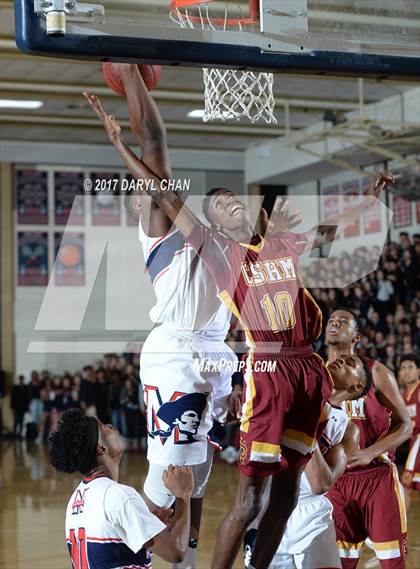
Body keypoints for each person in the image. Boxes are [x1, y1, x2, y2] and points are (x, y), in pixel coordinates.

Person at [84, 83, 394, 569]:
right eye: (221, 201)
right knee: (247, 497)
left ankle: (256, 564)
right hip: (268, 368)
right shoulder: (218, 253)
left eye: (234, 199)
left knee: (286, 495)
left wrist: (367, 202)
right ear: (213, 220)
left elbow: (328, 231)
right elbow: (163, 190)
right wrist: (119, 143)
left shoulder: (281, 243)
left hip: (305, 368)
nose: (230, 201)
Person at [245, 354, 367, 569]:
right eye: (342, 358)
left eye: (350, 364)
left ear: (356, 386)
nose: (341, 360)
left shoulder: (348, 430)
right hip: (269, 503)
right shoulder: (294, 393)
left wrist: (305, 425)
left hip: (310, 512)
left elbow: (321, 483)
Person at [48, 408, 194, 568]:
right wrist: (183, 494)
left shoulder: (75, 502)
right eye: (105, 429)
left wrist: (144, 526)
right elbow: (176, 551)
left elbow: (108, 554)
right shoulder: (118, 496)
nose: (110, 426)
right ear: (101, 449)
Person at [325, 308, 412, 568]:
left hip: (377, 479)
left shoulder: (376, 373)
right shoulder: (316, 374)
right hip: (335, 482)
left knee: (391, 563)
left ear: (356, 337)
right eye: (331, 321)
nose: (334, 325)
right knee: (338, 563)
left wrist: (371, 451)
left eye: (343, 322)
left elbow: (405, 425)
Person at [399, 354, 420, 511]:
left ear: (418, 371)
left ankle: (401, 532)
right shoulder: (402, 394)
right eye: (403, 368)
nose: (406, 371)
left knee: (405, 483)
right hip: (414, 443)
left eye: (410, 367)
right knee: (406, 486)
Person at [11, 375, 28, 439]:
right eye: (20, 379)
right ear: (19, 380)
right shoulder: (15, 387)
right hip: (16, 406)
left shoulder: (26, 387)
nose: (21, 381)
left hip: (23, 407)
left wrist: (26, 408)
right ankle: (14, 434)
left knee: (21, 421)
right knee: (16, 421)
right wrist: (12, 407)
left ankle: (20, 434)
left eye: (22, 379)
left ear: (23, 380)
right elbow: (12, 398)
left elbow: (27, 398)